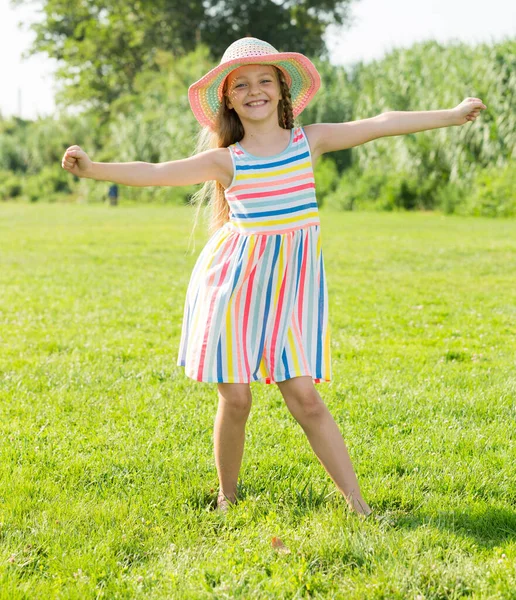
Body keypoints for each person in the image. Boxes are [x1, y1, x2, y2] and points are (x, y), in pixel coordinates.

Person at [61, 37, 486, 518]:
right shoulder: (227, 160)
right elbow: (156, 170)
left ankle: (359, 506)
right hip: (233, 288)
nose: (254, 90)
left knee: (305, 396)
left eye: (265, 80)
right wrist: (93, 169)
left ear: (284, 89)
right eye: (241, 84)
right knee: (236, 397)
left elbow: (379, 125)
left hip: (289, 291)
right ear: (227, 98)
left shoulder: (311, 141)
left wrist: (450, 114)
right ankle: (227, 496)